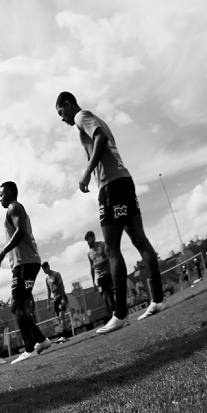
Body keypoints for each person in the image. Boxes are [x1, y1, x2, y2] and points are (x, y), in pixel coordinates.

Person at [55, 92, 166, 333]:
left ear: (67, 104)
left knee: (113, 249)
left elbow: (101, 138)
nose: (62, 119)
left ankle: (119, 314)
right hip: (124, 179)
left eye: (60, 113)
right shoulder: (95, 117)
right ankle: (157, 299)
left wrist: (87, 172)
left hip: (111, 186)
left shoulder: (81, 116)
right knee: (138, 238)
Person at [0, 181, 52, 364]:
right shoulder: (12, 209)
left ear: (10, 192)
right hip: (23, 263)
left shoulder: (14, 207)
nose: (0, 198)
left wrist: (3, 252)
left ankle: (29, 348)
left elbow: (20, 232)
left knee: (19, 306)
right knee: (16, 307)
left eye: (1, 194)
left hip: (26, 263)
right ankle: (41, 340)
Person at [85, 230, 115, 319]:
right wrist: (93, 282)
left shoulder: (102, 245)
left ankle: (116, 313)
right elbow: (92, 267)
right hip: (100, 278)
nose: (88, 242)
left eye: (89, 240)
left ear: (94, 237)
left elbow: (110, 257)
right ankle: (110, 317)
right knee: (105, 297)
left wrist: (100, 263)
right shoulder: (89, 253)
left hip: (108, 274)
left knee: (111, 295)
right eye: (86, 241)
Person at [42, 261, 71, 344]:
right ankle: (64, 335)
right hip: (55, 300)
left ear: (48, 267)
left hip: (61, 297)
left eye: (45, 269)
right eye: (43, 270)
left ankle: (64, 336)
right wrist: (48, 303)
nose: (44, 271)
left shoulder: (56, 274)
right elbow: (48, 291)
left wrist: (63, 298)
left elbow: (62, 286)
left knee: (62, 316)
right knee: (59, 317)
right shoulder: (47, 279)